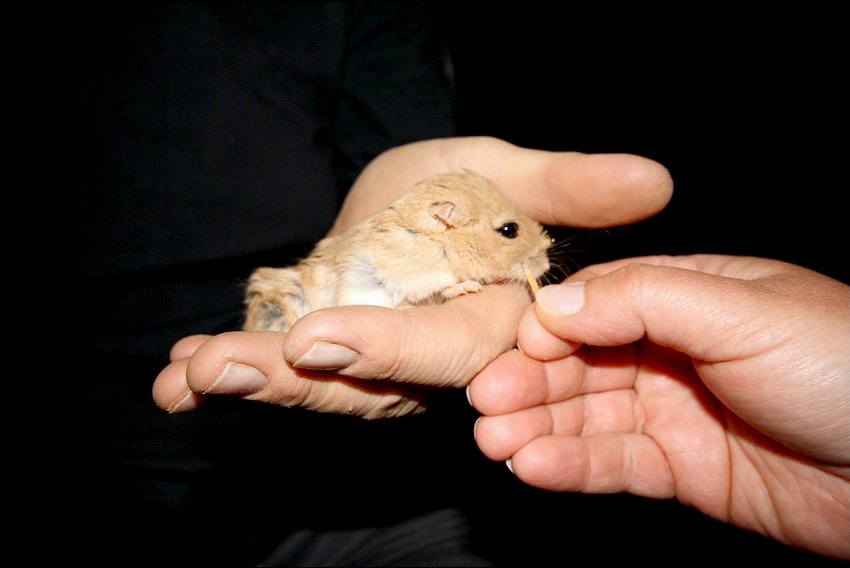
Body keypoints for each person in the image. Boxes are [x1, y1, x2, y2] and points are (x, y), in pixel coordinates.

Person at [39, 3, 674, 565]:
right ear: (443, 222)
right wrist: (455, 280)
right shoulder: (412, 247)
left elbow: (399, 137)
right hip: (102, 470)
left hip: (362, 499)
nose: (531, 243)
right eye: (510, 231)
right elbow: (401, 280)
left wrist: (469, 261)